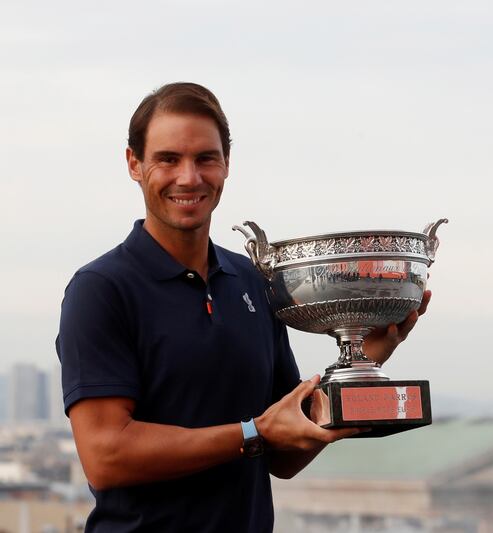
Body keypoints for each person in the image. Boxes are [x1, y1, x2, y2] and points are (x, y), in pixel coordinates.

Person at [56, 82, 430, 532]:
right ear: (134, 164)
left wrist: (362, 360)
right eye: (168, 159)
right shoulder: (101, 289)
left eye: (205, 158)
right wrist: (253, 433)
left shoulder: (253, 279)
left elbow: (284, 455)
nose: (189, 177)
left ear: (226, 165)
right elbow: (106, 457)